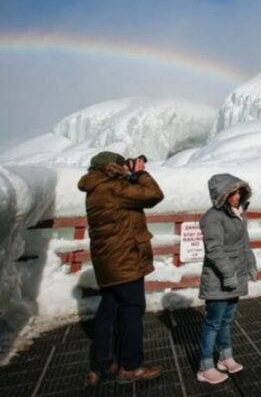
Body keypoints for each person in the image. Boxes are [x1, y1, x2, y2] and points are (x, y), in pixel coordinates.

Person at [78, 151, 165, 386]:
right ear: (110, 168)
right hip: (124, 260)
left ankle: (101, 365)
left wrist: (128, 175)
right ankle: (131, 367)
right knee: (132, 310)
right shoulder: (114, 188)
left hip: (108, 262)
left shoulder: (97, 187)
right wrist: (140, 173)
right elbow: (154, 195)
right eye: (121, 164)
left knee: (108, 311)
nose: (125, 167)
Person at [197, 173, 257, 384]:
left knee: (226, 320)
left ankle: (225, 357)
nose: (237, 196)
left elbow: (244, 245)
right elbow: (214, 250)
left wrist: (251, 265)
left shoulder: (238, 214)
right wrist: (229, 273)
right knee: (213, 322)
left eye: (239, 192)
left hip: (236, 276)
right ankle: (205, 366)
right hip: (218, 278)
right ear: (222, 194)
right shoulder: (212, 217)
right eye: (232, 192)